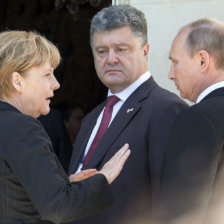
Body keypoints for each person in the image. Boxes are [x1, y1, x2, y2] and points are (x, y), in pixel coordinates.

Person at [68, 5, 188, 224]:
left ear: (145, 50)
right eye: (101, 51)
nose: (110, 59)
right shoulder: (91, 118)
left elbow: (176, 202)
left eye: (121, 49)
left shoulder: (167, 109)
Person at [0, 30, 131, 223]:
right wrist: (102, 178)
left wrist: (62, 185)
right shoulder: (23, 128)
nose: (56, 84)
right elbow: (60, 208)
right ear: (17, 81)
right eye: (47, 74)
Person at [156, 18, 224, 224]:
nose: (170, 74)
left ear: (202, 60)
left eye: (175, 61)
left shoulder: (197, 119)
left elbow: (182, 211)